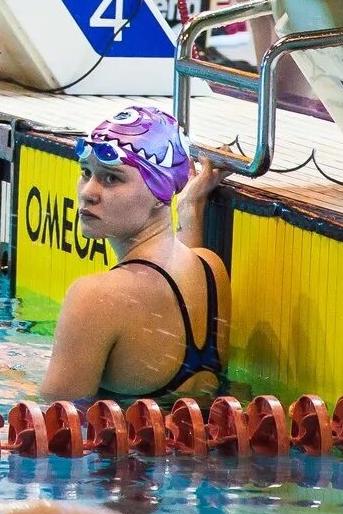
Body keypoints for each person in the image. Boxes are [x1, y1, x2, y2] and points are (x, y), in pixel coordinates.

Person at [40, 105, 228, 402]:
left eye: (111, 178)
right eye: (86, 172)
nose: (88, 192)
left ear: (160, 192)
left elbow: (55, 423)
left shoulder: (95, 297)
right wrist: (189, 207)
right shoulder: (209, 270)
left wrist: (9, 377)